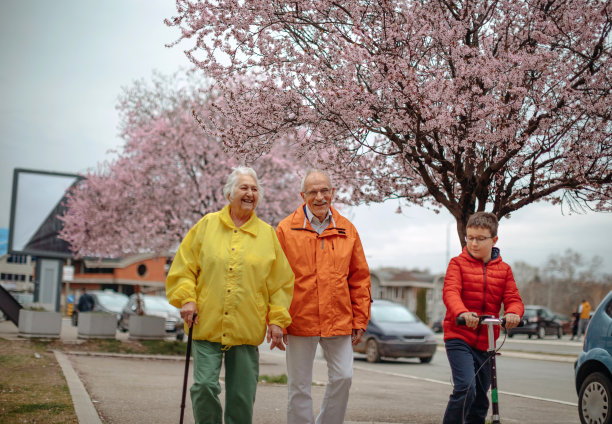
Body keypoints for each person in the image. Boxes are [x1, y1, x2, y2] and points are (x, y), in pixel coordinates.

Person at [166, 166, 295, 424]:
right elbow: (184, 268)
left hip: (246, 328)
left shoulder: (267, 235)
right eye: (243, 188)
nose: (249, 193)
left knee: (241, 397)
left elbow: (280, 284)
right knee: (203, 387)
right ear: (229, 193)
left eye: (254, 189)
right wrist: (187, 298)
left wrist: (278, 320)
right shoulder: (207, 226)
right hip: (205, 322)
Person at [276, 169, 371, 424]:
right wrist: (276, 319)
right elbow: (274, 280)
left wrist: (360, 320)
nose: (319, 197)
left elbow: (360, 278)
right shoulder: (285, 230)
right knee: (299, 386)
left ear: (332, 193)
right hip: (299, 319)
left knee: (343, 377)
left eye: (324, 190)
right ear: (302, 195)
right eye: (313, 192)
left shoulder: (347, 230)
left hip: (338, 318)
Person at [442, 212, 524, 424]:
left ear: (494, 240)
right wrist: (462, 313)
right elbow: (451, 292)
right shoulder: (457, 264)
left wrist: (513, 313)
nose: (474, 243)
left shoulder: (504, 270)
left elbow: (513, 298)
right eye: (470, 238)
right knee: (466, 388)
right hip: (459, 336)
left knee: (480, 400)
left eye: (480, 238)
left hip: (487, 342)